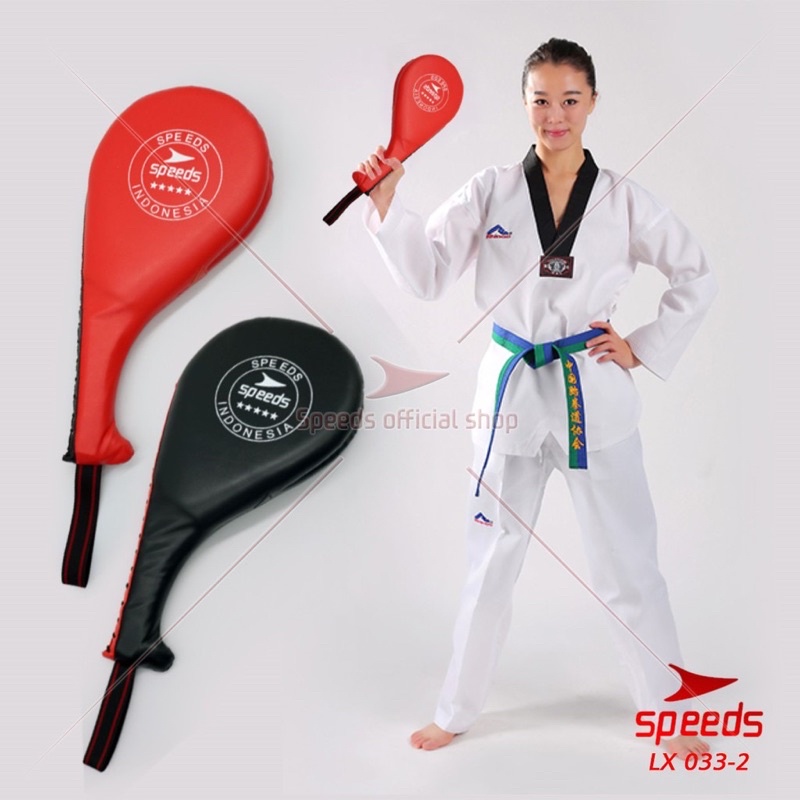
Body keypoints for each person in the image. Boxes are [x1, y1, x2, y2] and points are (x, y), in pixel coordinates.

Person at [358, 38, 717, 759]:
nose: (556, 114)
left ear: (593, 103)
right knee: (490, 557)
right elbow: (429, 275)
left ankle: (671, 716)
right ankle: (456, 708)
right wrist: (388, 208)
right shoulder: (490, 190)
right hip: (511, 390)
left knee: (628, 563)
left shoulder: (623, 199)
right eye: (542, 99)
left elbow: (695, 275)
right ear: (524, 103)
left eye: (570, 99)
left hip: (592, 390)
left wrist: (642, 345)